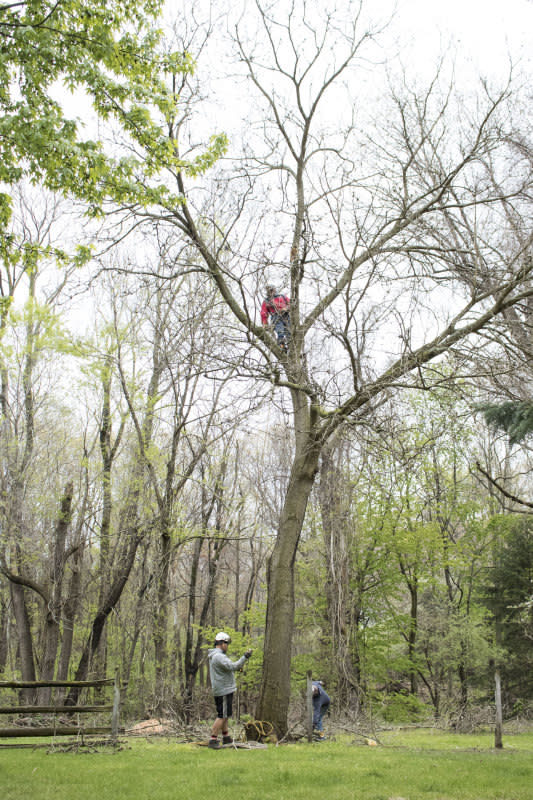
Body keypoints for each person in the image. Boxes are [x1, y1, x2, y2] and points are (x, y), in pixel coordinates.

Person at [207, 631, 252, 749]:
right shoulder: (218, 657)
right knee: (222, 715)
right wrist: (245, 657)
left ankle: (226, 737)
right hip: (223, 690)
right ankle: (213, 740)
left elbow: (230, 668)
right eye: (226, 643)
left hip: (223, 689)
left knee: (226, 714)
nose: (227, 646)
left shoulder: (217, 656)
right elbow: (234, 666)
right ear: (221, 643)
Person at [260, 285, 290, 350]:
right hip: (276, 317)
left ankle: (291, 347)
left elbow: (290, 304)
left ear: (274, 290)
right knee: (280, 331)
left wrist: (286, 308)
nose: (271, 292)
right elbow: (263, 313)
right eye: (269, 291)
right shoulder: (266, 301)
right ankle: (281, 346)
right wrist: (265, 323)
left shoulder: (282, 296)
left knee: (289, 332)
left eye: (272, 290)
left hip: (286, 315)